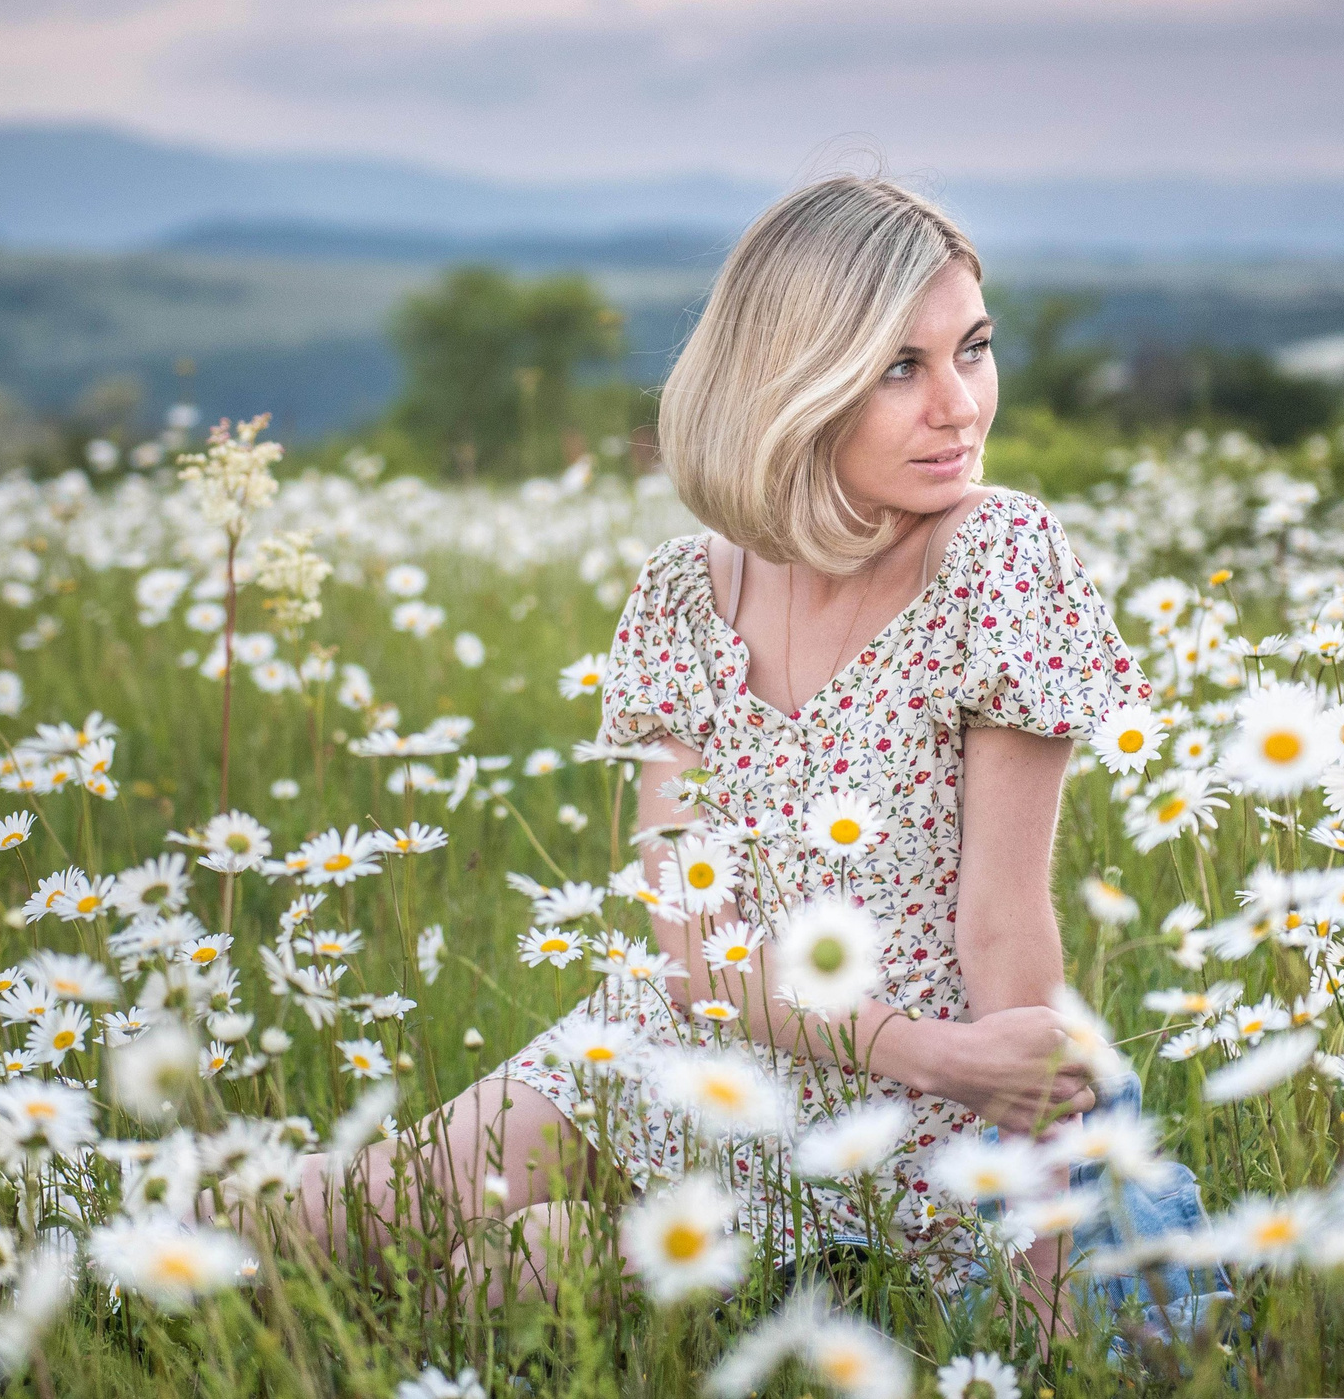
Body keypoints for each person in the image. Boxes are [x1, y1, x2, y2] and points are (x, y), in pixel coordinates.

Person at [285, 174, 1164, 1325]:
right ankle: (79, 1271)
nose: (959, 405)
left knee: (517, 1277)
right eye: (899, 367)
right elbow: (694, 952)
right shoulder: (683, 592)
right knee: (337, 1217)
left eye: (973, 349)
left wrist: (1045, 1273)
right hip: (689, 1047)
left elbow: (1004, 926)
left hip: (899, 1132)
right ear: (794, 382)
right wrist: (927, 1050)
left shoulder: (996, 556)